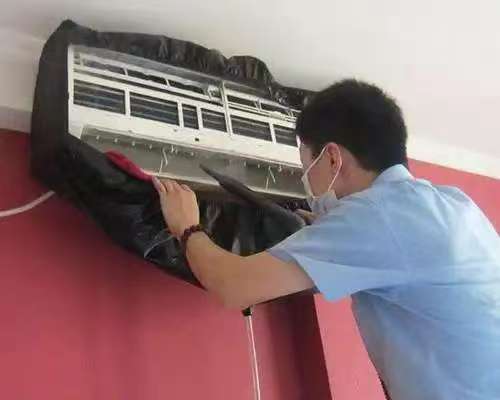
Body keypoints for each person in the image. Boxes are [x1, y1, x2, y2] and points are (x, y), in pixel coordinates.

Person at [152, 79, 500, 400]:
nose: (307, 180)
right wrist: (328, 230)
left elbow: (233, 286)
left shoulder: (376, 216)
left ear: (332, 158)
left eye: (307, 166)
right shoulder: (454, 205)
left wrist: (187, 226)